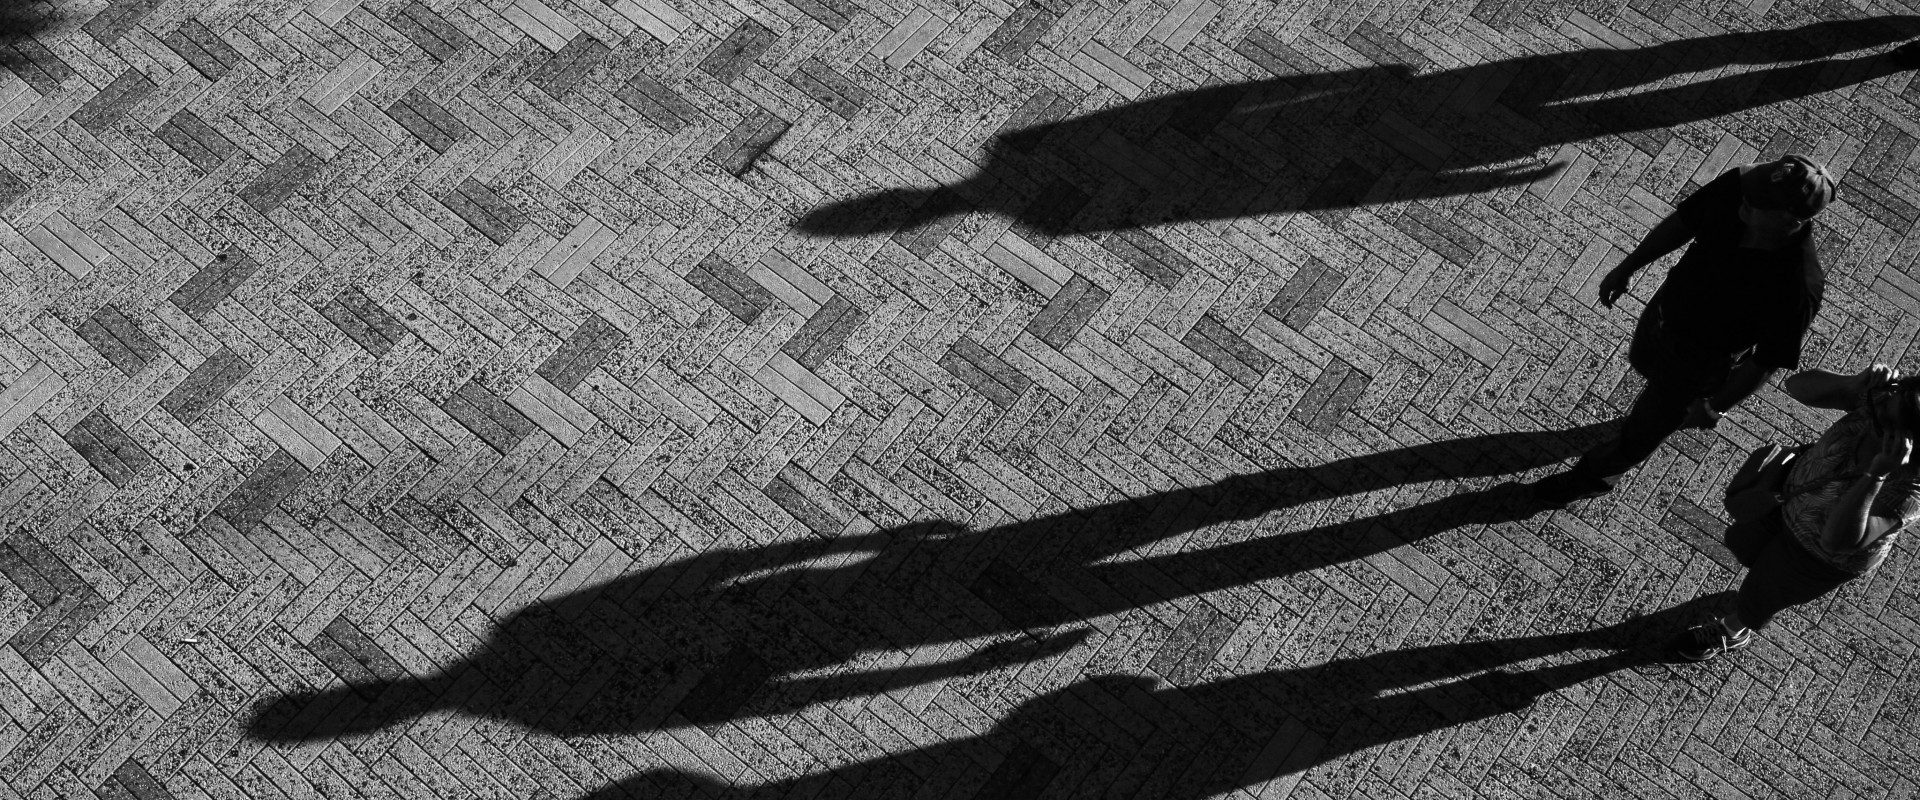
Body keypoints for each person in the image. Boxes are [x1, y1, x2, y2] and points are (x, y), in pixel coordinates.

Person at [1531, 155, 1834, 505]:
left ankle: (1591, 479)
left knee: (1641, 435)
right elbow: (1683, 222)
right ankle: (1644, 421)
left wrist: (1714, 406)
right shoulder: (1741, 189)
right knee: (1643, 367)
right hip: (1660, 319)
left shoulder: (1798, 286)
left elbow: (1766, 361)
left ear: (1789, 220)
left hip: (1699, 366)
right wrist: (1629, 265)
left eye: (1757, 202)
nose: (1744, 200)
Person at [1676, 364, 1920, 661]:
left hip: (1815, 556)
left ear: (1910, 443)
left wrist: (1876, 475)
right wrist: (1855, 383)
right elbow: (1797, 386)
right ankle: (1757, 582)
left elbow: (1836, 540)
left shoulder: (1909, 490)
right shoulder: (1883, 404)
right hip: (1788, 499)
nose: (1872, 416)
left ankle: (1733, 629)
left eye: (1883, 425)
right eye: (1878, 406)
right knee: (1745, 545)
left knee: (1761, 597)